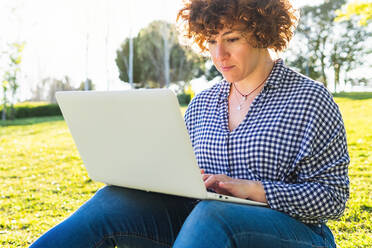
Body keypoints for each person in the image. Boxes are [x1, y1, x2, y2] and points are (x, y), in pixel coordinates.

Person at [30, 0, 350, 247]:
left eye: (232, 38)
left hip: (295, 232)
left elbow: (332, 197)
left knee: (214, 215)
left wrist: (254, 190)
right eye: (210, 41)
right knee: (112, 200)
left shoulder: (309, 99)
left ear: (263, 33)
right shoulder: (203, 103)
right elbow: (181, 173)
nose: (219, 54)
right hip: (202, 222)